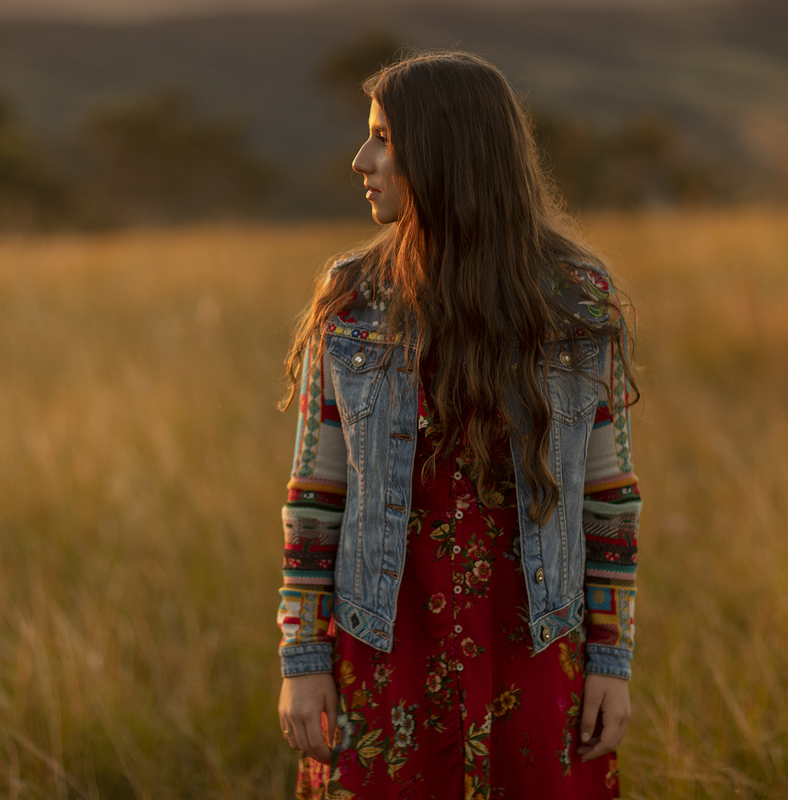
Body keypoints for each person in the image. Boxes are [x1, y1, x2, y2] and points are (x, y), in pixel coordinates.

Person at [275, 51, 641, 799]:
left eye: (383, 138)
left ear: (446, 151)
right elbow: (315, 497)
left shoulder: (575, 296)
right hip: (384, 640)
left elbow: (610, 498)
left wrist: (611, 662)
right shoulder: (351, 300)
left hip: (535, 641)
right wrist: (303, 661)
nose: (361, 159)